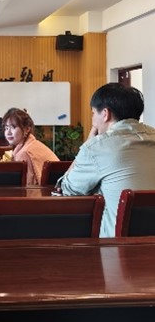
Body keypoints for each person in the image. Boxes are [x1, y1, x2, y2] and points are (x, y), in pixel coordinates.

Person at [59, 82, 155, 237]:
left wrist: (89, 142)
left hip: (117, 247)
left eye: (93, 113)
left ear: (105, 114)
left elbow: (68, 190)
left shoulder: (97, 147)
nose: (93, 120)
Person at [3, 107, 59, 185]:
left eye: (13, 127)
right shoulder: (31, 144)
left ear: (27, 129)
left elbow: (28, 187)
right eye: (6, 128)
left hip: (49, 191)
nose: (8, 132)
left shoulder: (25, 152)